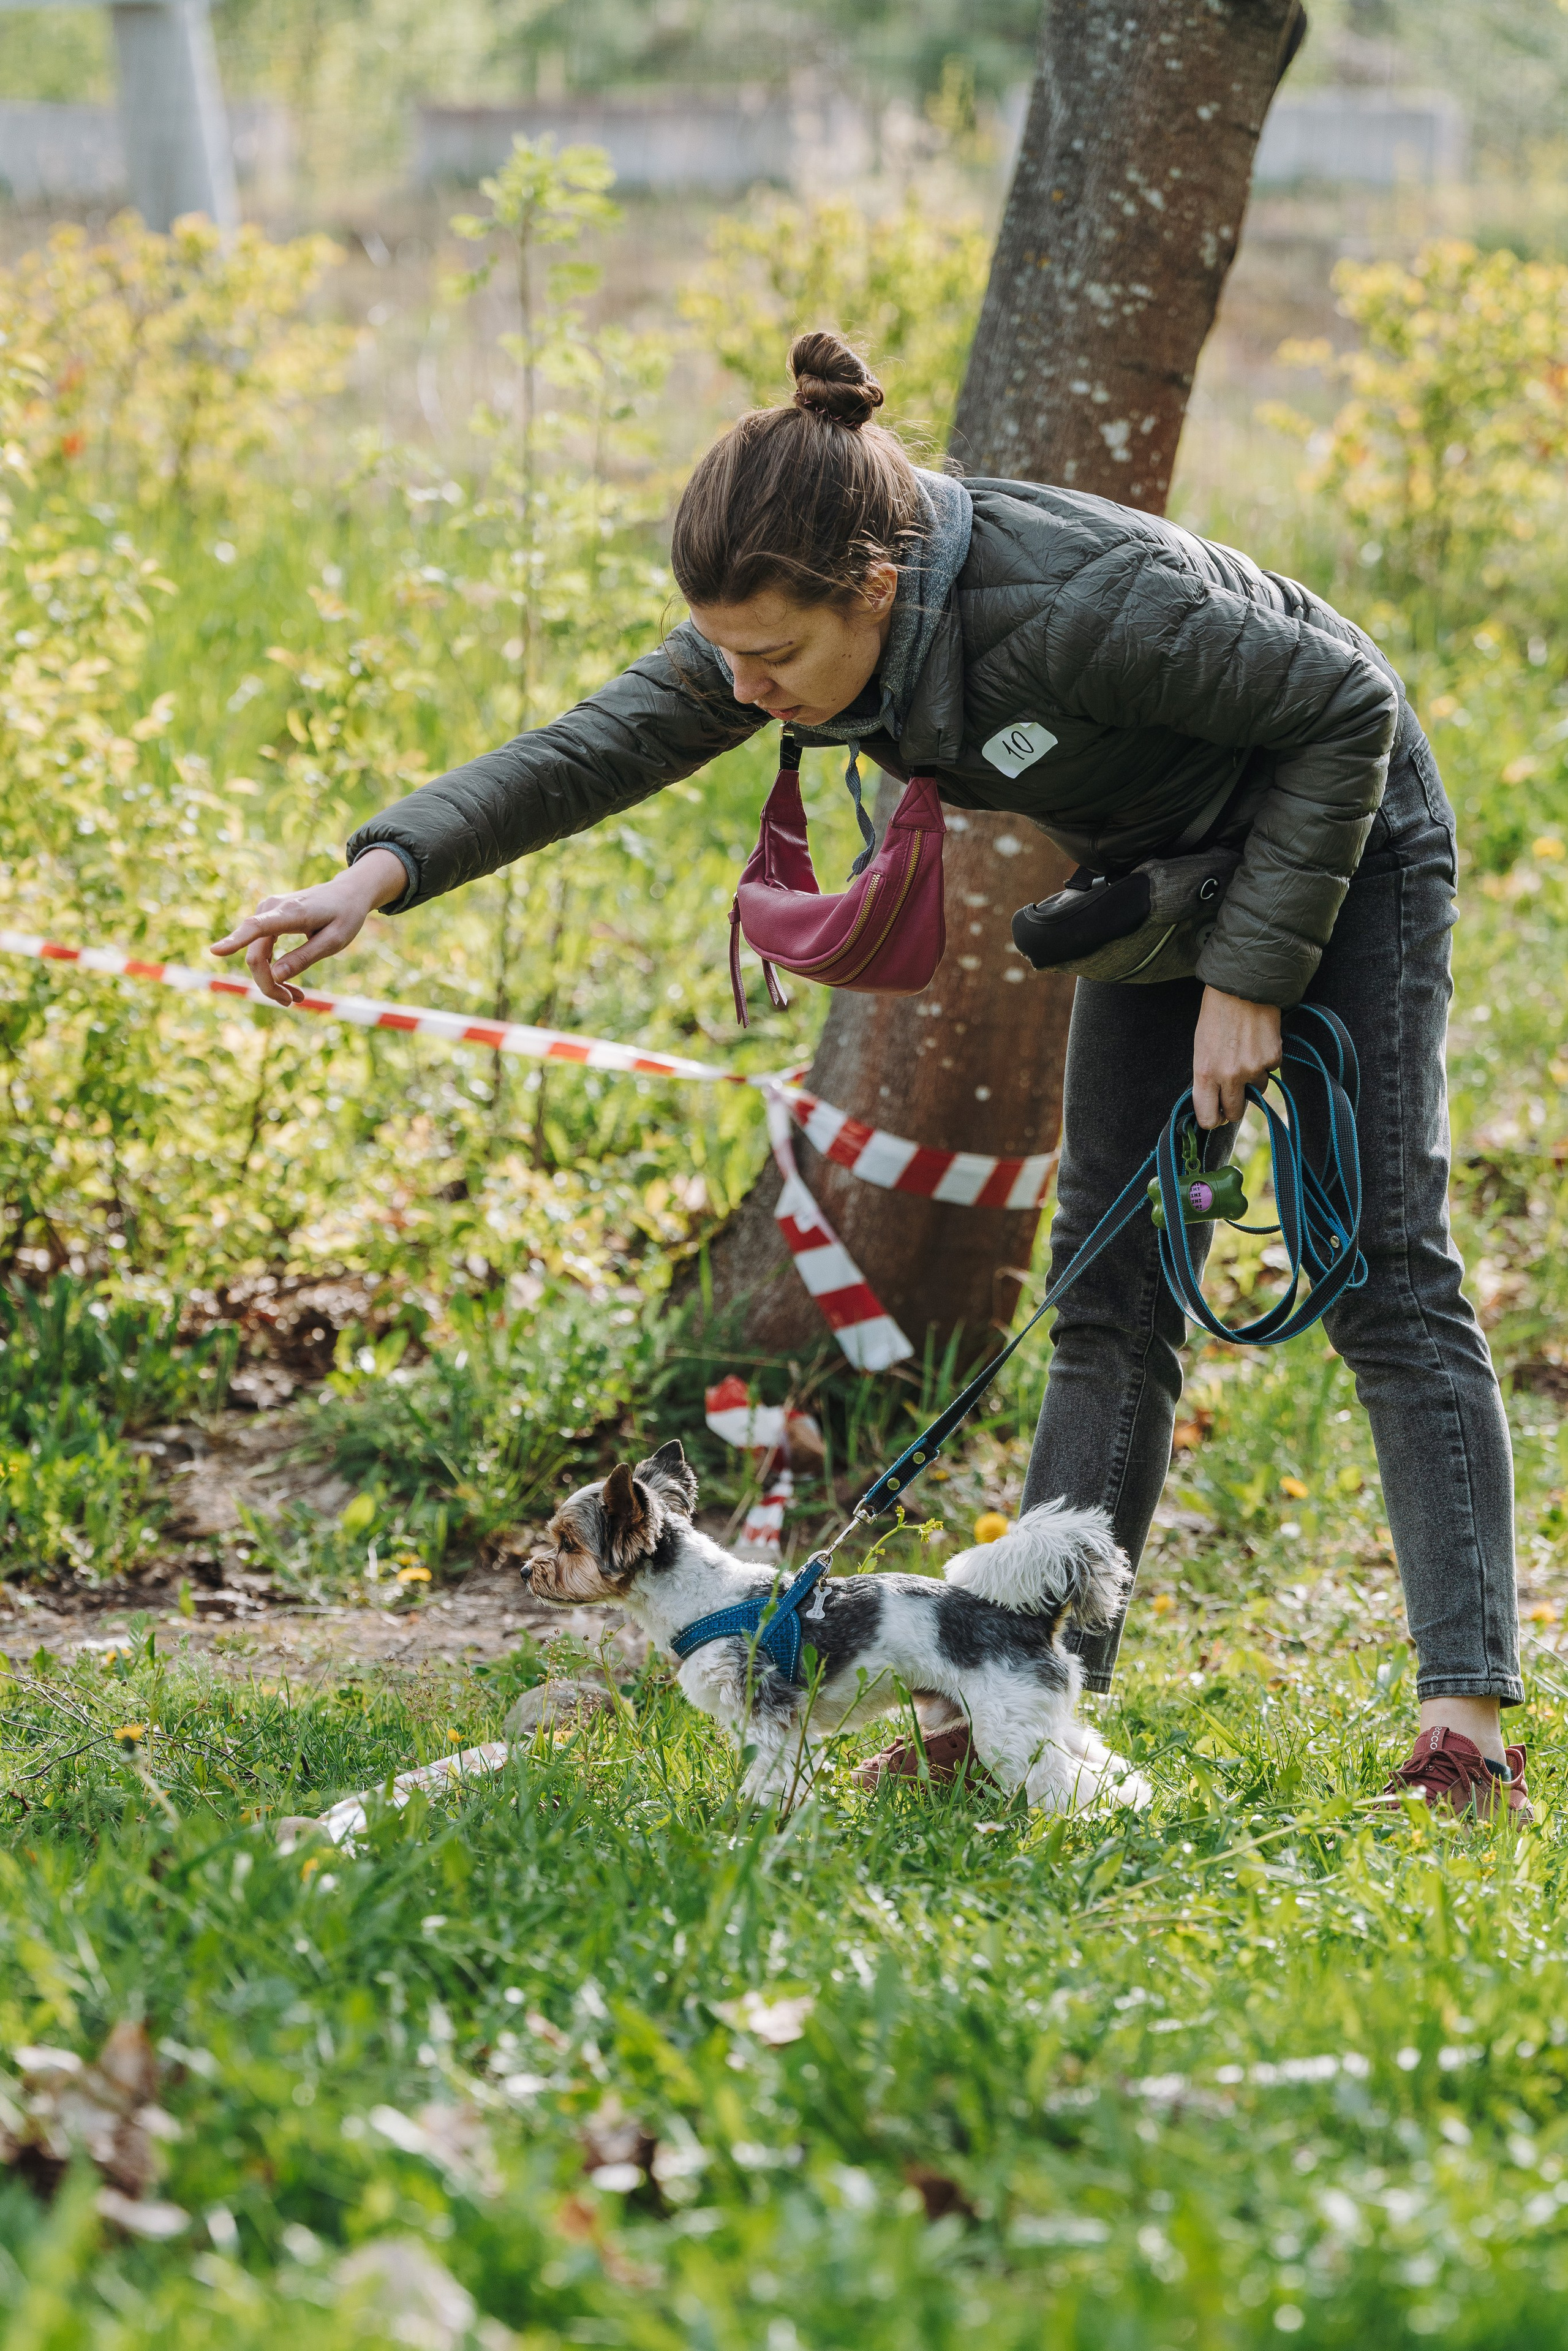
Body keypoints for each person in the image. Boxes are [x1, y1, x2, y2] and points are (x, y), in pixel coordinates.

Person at [214, 330, 1528, 1821]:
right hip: (1156, 878)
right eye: (723, 651)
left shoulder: (1069, 598)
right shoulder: (784, 624)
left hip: (1340, 832)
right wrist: (379, 873)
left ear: (878, 589)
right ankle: (1015, 1698)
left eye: (769, 656)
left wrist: (1250, 982)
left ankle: (1461, 1735)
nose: (742, 682)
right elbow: (591, 747)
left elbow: (1343, 706)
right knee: (1104, 1289)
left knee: (1383, 1268)